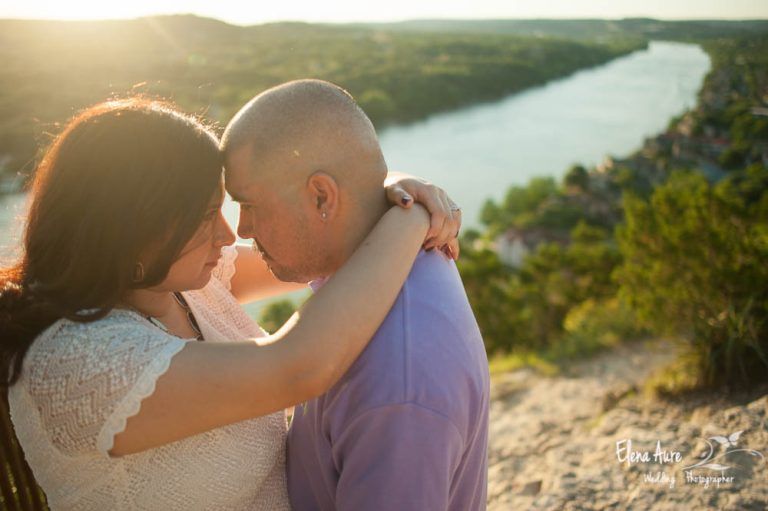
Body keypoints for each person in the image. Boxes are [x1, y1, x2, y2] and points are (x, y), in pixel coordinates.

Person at [0, 97, 462, 510]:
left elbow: (317, 243)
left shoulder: (183, 282)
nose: (230, 233)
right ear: (132, 229)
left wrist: (394, 184)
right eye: (205, 217)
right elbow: (299, 366)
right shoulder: (77, 364)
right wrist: (412, 217)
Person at [222, 79, 489, 511]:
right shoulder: (373, 263)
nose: (241, 230)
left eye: (249, 205)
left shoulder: (397, 384)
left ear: (322, 196)